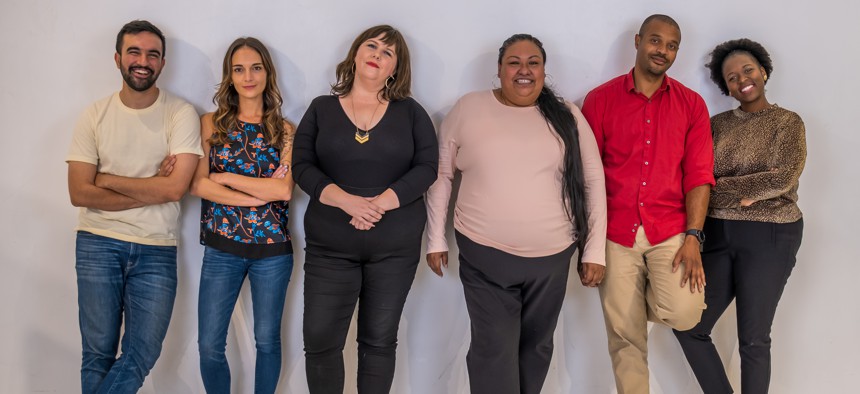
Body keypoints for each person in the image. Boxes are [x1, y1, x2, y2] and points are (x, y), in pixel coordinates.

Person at [425, 34, 607, 394]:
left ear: (543, 69)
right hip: (484, 252)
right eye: (514, 62)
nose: (524, 70)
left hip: (552, 258)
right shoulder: (468, 108)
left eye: (533, 62)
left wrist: (594, 250)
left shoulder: (567, 114)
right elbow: (441, 176)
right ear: (499, 69)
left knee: (536, 349)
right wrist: (434, 239)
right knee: (493, 349)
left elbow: (592, 178)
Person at [292, 25, 438, 394]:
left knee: (378, 341)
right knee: (320, 339)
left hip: (394, 249)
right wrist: (348, 201)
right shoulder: (321, 108)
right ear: (355, 54)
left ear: (395, 68)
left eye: (388, 52)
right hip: (330, 248)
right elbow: (302, 166)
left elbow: (427, 167)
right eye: (371, 46)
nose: (377, 54)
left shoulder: (412, 113)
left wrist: (380, 204)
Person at [581, 14, 715, 394]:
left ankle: (630, 309)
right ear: (638, 41)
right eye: (656, 41)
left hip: (669, 229)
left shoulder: (691, 104)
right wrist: (590, 242)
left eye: (672, 46)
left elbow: (699, 174)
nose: (664, 51)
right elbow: (587, 175)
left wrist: (693, 235)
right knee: (624, 339)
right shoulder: (600, 99)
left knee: (685, 312)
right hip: (615, 231)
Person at [66, 20, 202, 393]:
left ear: (162, 62)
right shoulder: (94, 115)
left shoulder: (180, 113)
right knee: (97, 353)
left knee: (141, 353)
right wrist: (150, 186)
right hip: (97, 242)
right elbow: (80, 193)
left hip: (157, 248)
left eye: (152, 54)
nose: (143, 61)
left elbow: (175, 189)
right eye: (134, 52)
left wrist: (106, 179)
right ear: (117, 58)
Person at [673, 38, 806, 394]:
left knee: (753, 338)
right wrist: (744, 193)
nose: (741, 80)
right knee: (689, 325)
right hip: (716, 233)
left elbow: (782, 178)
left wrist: (722, 189)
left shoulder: (787, 122)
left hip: (772, 234)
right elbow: (700, 178)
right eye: (731, 77)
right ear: (725, 86)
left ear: (762, 71)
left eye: (747, 70)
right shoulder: (714, 125)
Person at [189, 37, 295, 394]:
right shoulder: (210, 125)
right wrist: (253, 198)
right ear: (229, 76)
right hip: (222, 249)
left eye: (255, 67)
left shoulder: (285, 131)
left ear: (267, 72)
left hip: (273, 252)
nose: (248, 76)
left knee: (267, 342)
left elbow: (282, 191)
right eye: (238, 69)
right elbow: (199, 187)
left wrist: (227, 179)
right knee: (208, 345)